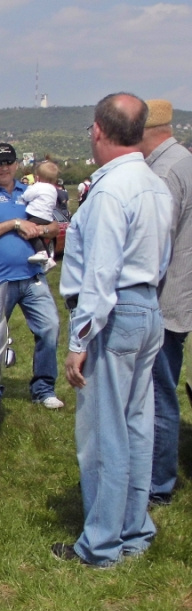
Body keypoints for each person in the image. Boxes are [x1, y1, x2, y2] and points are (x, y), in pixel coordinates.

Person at [55, 92, 173, 568]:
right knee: (136, 426)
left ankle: (101, 544)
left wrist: (79, 341)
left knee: (104, 434)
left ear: (99, 131)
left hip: (113, 312)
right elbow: (160, 260)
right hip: (146, 307)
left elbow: (100, 276)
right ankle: (133, 528)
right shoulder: (154, 184)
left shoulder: (108, 191)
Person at [0, 142, 63, 409]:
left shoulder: (32, 191)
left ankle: (44, 389)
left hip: (32, 277)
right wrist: (13, 223)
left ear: (16, 164)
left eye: (8, 162)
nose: (4, 167)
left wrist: (38, 231)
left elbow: (55, 225)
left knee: (50, 329)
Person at [139, 100, 192, 507]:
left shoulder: (164, 170)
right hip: (181, 292)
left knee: (159, 392)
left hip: (166, 297)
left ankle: (158, 483)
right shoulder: (183, 160)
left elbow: (157, 242)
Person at [20, 160, 60, 265]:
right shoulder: (53, 189)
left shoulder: (38, 186)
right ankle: (48, 259)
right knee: (40, 236)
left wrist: (30, 187)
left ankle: (41, 252)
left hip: (36, 214)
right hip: (47, 217)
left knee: (29, 231)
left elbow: (27, 196)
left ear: (38, 177)